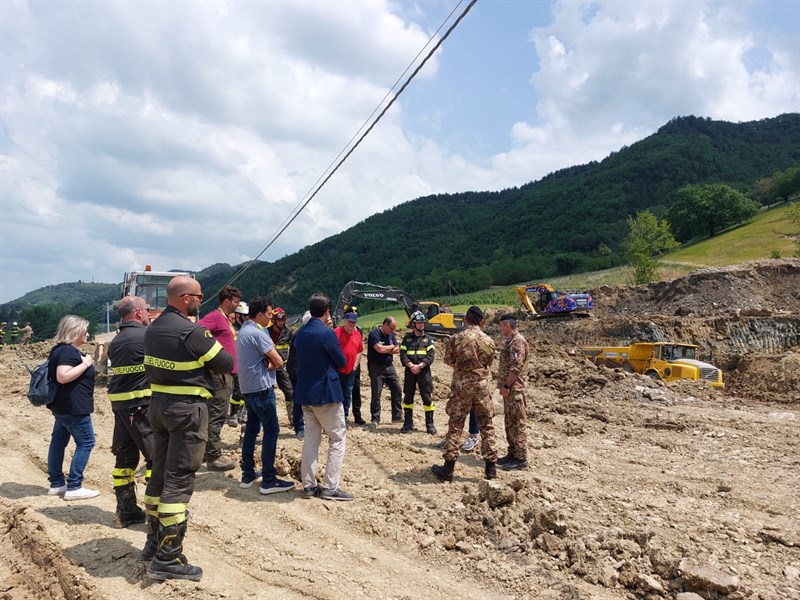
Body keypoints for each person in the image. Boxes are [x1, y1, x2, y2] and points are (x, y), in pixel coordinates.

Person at [142, 276, 234, 581]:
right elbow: (223, 362)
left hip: (159, 406)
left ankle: (152, 543)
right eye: (198, 295)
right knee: (179, 480)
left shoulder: (153, 329)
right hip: (187, 412)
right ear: (184, 298)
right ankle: (168, 557)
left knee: (159, 474)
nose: (200, 299)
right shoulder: (191, 331)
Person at [293, 293, 353, 501]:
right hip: (326, 393)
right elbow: (341, 361)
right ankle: (330, 487)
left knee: (310, 441)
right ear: (327, 312)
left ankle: (309, 486)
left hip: (305, 394)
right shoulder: (327, 334)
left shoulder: (299, 334)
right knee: (337, 438)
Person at [431, 306, 497, 483]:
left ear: (466, 320)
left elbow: (448, 360)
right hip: (482, 387)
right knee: (486, 425)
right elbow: (489, 362)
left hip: (461, 387)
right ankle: (491, 469)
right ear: (482, 321)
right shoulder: (489, 341)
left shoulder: (456, 338)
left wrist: (463, 369)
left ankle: (448, 469)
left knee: (456, 425)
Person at [236, 296, 295, 495]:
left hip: (248, 387)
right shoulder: (258, 333)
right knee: (271, 430)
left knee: (252, 430)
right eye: (269, 314)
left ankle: (247, 473)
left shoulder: (244, 330)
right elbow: (278, 360)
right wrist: (272, 363)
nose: (271, 318)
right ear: (259, 314)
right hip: (261, 387)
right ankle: (269, 479)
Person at [106, 296, 154, 528]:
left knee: (125, 458)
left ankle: (125, 510)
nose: (148, 314)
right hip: (141, 406)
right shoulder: (145, 336)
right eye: (146, 310)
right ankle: (156, 515)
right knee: (156, 457)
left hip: (121, 407)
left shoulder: (117, 340)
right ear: (137, 313)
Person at [46, 315, 98, 500]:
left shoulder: (59, 350)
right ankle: (74, 486)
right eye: (85, 331)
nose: (88, 334)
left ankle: (57, 483)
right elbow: (62, 376)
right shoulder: (68, 351)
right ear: (75, 331)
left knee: (58, 442)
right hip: (74, 407)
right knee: (86, 442)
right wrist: (86, 363)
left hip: (62, 406)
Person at [198, 286, 241, 471]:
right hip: (220, 375)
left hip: (225, 374)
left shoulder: (224, 319)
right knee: (217, 414)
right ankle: (213, 456)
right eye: (236, 301)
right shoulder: (215, 317)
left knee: (215, 413)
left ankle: (206, 452)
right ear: (226, 301)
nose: (238, 305)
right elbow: (197, 332)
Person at [497, 313, 530, 471]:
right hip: (510, 390)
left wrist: (507, 386)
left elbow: (516, 367)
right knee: (509, 423)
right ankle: (512, 453)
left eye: (501, 325)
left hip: (514, 390)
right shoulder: (510, 341)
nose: (500, 328)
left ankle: (521, 458)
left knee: (517, 423)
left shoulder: (517, 342)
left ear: (507, 325)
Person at [399, 311, 436, 434]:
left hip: (424, 372)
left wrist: (420, 366)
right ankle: (408, 423)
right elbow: (402, 354)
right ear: (413, 324)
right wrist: (410, 365)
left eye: (422, 323)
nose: (421, 325)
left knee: (426, 396)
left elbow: (431, 356)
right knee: (408, 396)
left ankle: (430, 424)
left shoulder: (429, 339)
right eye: (419, 323)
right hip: (410, 372)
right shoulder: (407, 339)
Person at [268, 307, 301, 437]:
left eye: (283, 319)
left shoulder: (288, 333)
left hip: (283, 367)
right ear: (274, 320)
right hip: (269, 366)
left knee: (289, 391)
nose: (281, 322)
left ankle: (291, 415)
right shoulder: (267, 332)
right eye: (279, 319)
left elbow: (293, 349)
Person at [367, 316, 403, 429]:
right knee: (376, 393)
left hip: (389, 366)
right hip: (376, 367)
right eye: (391, 328)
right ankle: (375, 418)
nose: (392, 331)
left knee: (397, 389)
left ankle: (397, 416)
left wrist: (387, 348)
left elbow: (397, 349)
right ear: (385, 324)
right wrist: (390, 348)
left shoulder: (390, 334)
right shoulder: (374, 334)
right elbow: (379, 349)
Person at [334, 311, 363, 423]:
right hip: (337, 370)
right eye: (350, 322)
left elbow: (359, 351)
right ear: (345, 321)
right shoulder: (336, 332)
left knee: (347, 395)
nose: (352, 324)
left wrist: (356, 364)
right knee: (336, 394)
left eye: (354, 323)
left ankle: (343, 418)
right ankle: (334, 418)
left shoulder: (357, 334)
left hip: (350, 370)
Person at [227, 301, 249, 427]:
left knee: (244, 391)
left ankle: (240, 412)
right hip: (234, 364)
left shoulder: (246, 328)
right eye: (243, 315)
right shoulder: (231, 328)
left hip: (245, 364)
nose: (245, 318)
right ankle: (234, 413)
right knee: (238, 390)